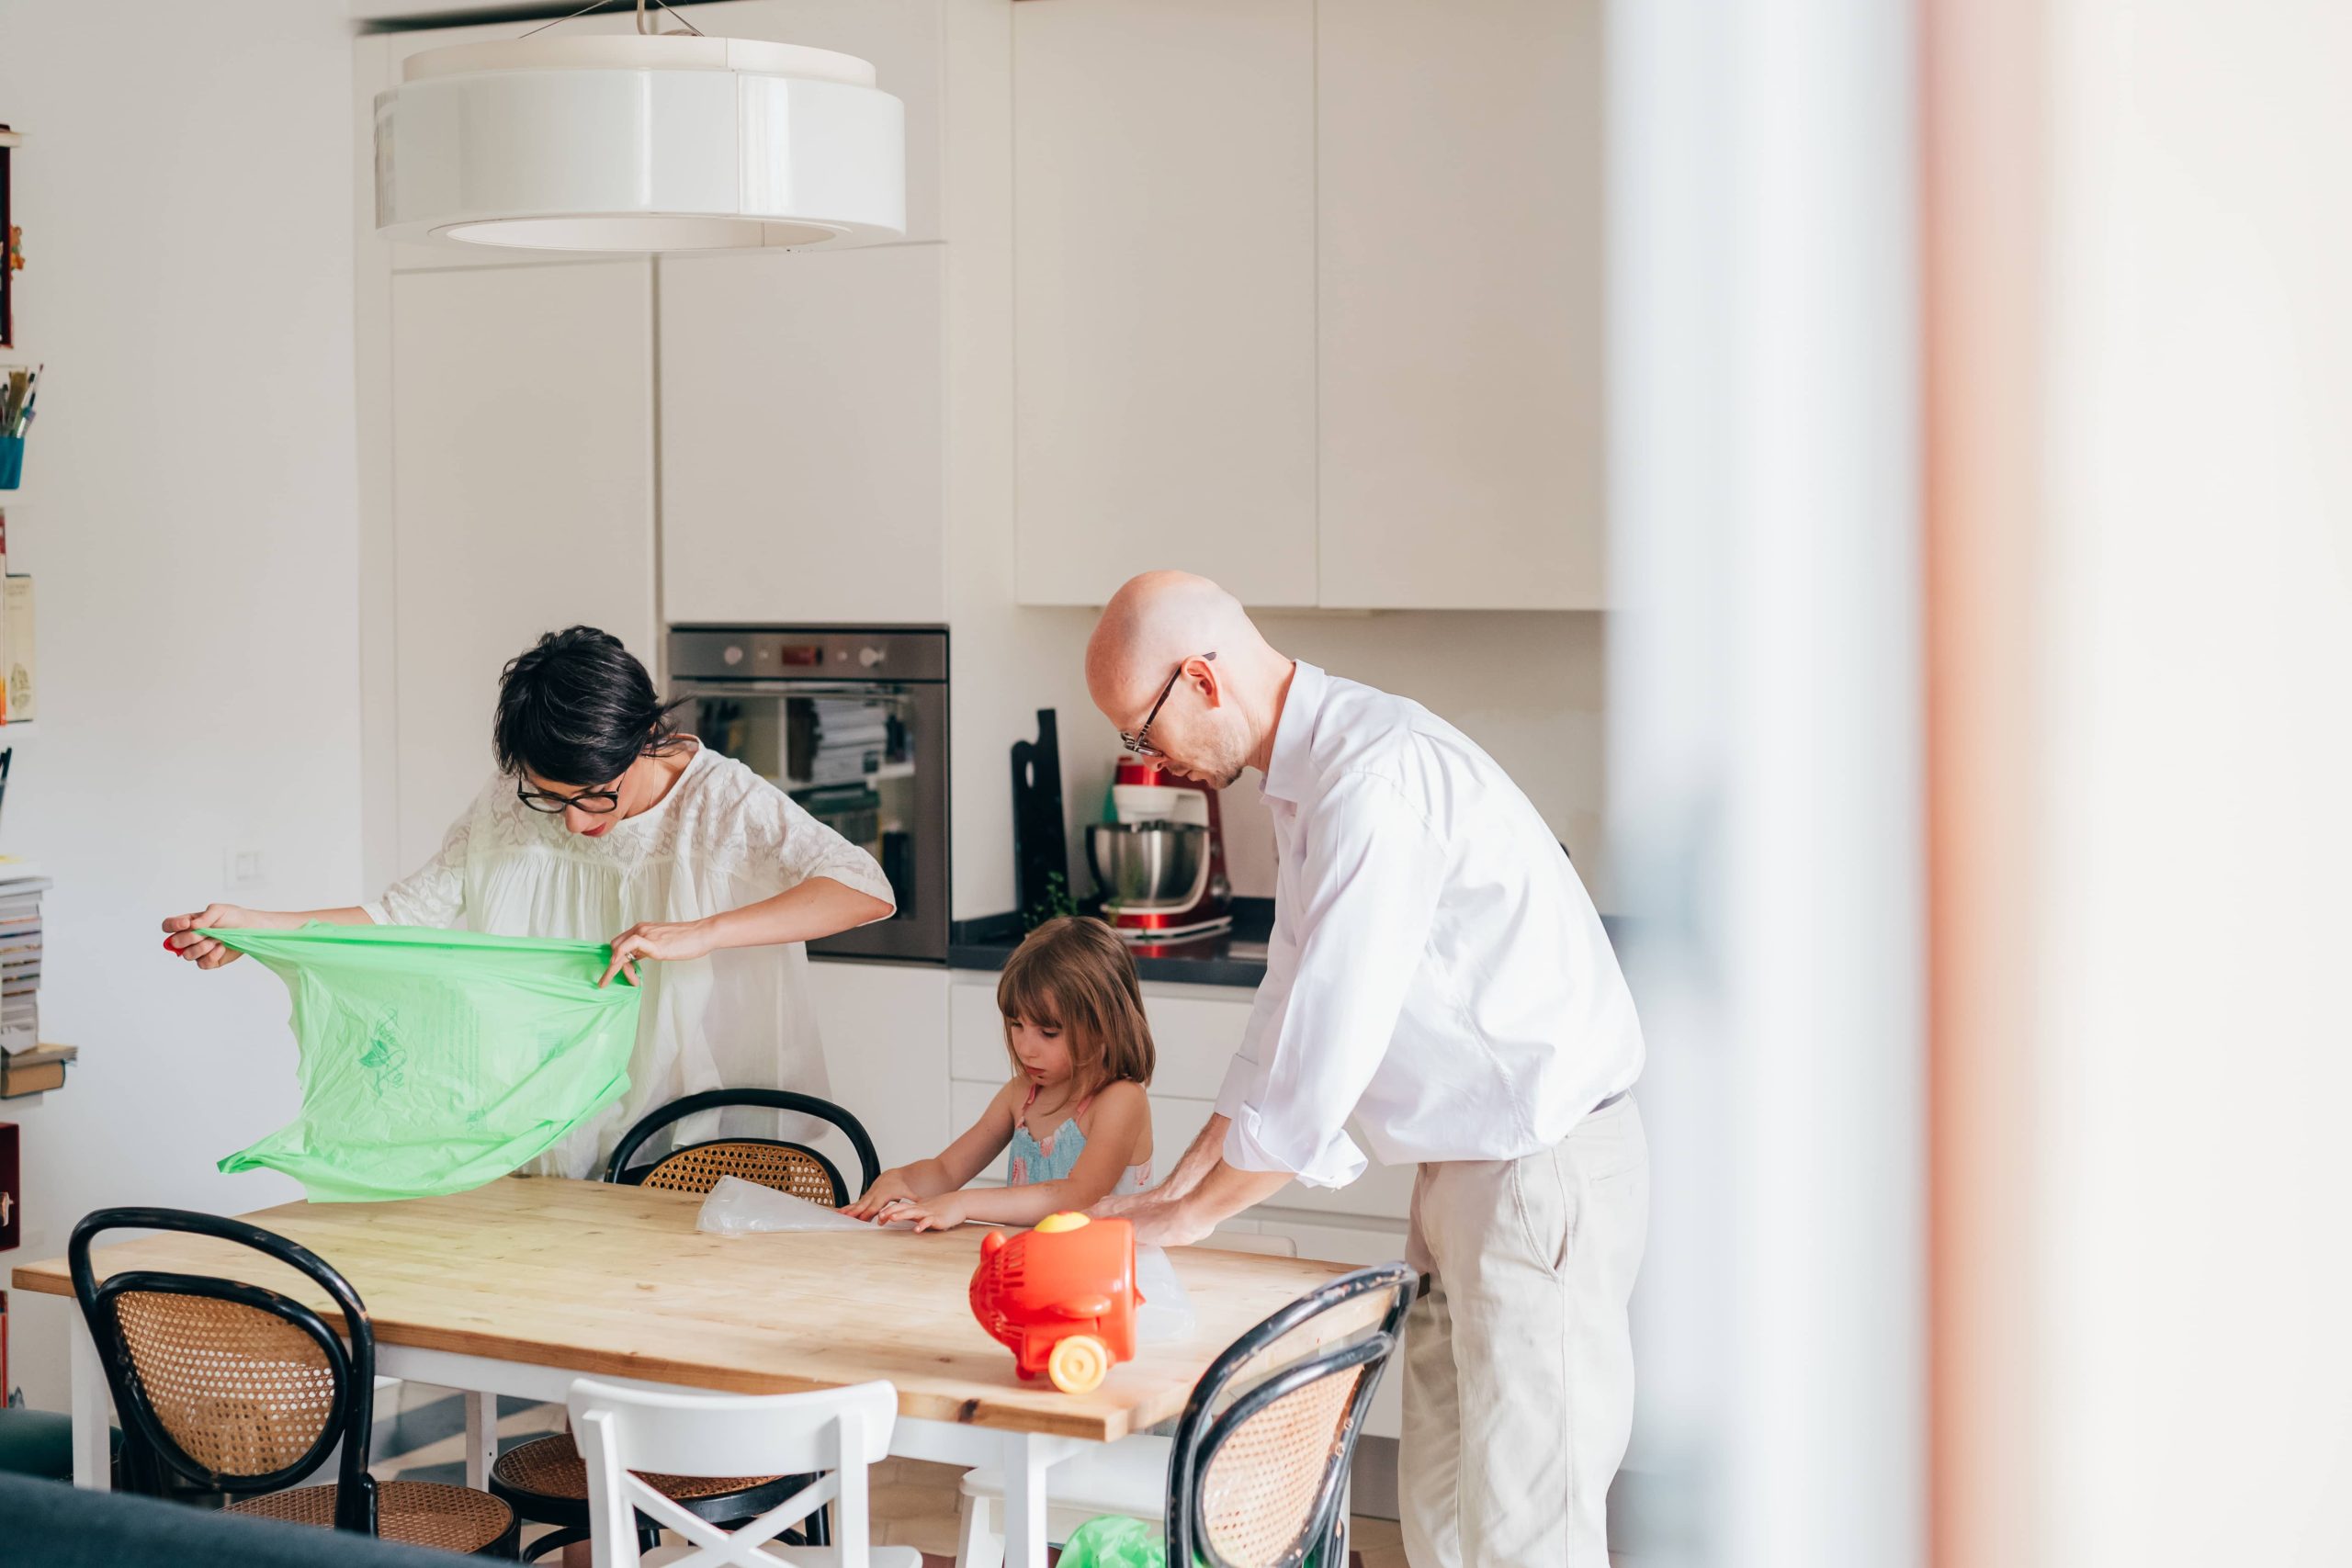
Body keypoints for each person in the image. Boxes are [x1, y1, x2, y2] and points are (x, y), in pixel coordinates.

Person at [1082, 570, 1647, 1568]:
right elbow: (1286, 1008)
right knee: (1439, 1511)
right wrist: (1181, 1178)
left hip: (1536, 1174)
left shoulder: (1372, 781)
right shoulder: (1312, 777)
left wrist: (1186, 1219)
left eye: (1142, 733)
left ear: (1203, 681)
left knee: (1527, 1534)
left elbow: (1319, 1078)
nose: (1151, 764)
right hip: (1464, 1177)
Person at [162, 626, 897, 1176]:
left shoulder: (719, 801)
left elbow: (864, 889)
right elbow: (403, 912)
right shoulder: (513, 804)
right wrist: (260, 928)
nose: (576, 821)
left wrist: (700, 932)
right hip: (563, 1125)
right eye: (551, 798)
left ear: (646, 736)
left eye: (593, 794)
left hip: (701, 1130)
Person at [842, 916, 1154, 1232]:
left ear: (1105, 1026)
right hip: (1034, 1264)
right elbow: (947, 1171)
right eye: (1017, 1025)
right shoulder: (1020, 1095)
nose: (1026, 1048)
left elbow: (1078, 1195)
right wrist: (903, 1179)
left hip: (1114, 1272)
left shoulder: (1121, 1100)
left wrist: (963, 1203)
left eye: (1048, 1032)